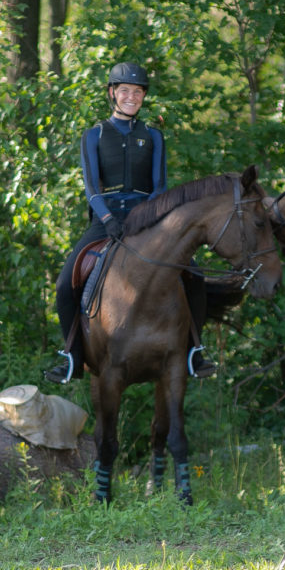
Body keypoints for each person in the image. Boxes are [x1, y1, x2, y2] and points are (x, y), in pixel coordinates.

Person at [44, 62, 216, 383]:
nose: (131, 97)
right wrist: (108, 219)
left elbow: (160, 188)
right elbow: (92, 188)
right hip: (105, 221)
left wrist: (142, 218)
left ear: (143, 97)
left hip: (146, 219)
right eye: (124, 90)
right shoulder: (93, 135)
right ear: (112, 93)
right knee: (64, 284)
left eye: (137, 92)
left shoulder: (153, 136)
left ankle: (195, 351)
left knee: (194, 275)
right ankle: (72, 356)